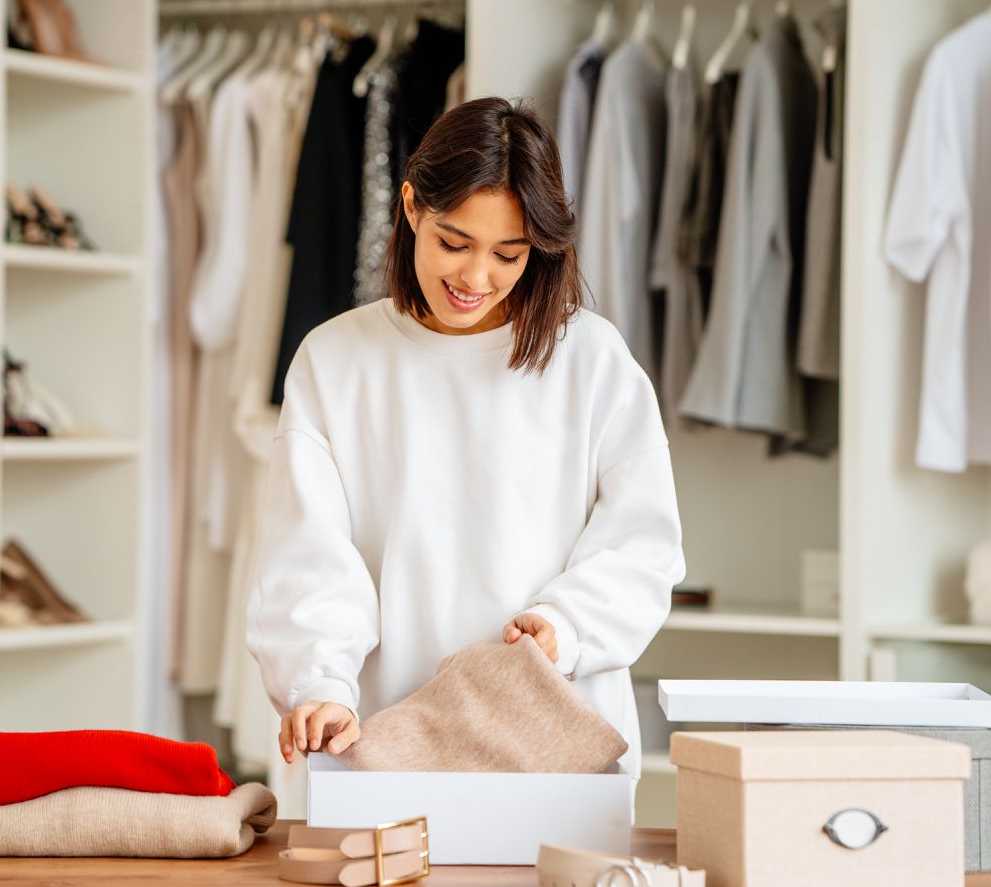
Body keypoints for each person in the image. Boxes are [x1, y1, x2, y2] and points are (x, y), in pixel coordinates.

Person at [246, 96, 685, 782]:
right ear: (412, 206)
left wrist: (564, 627)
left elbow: (644, 546)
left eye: (508, 254)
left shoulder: (591, 360)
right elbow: (307, 552)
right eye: (454, 243)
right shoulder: (335, 360)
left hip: (555, 746)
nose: (476, 279)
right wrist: (320, 684)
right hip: (382, 744)